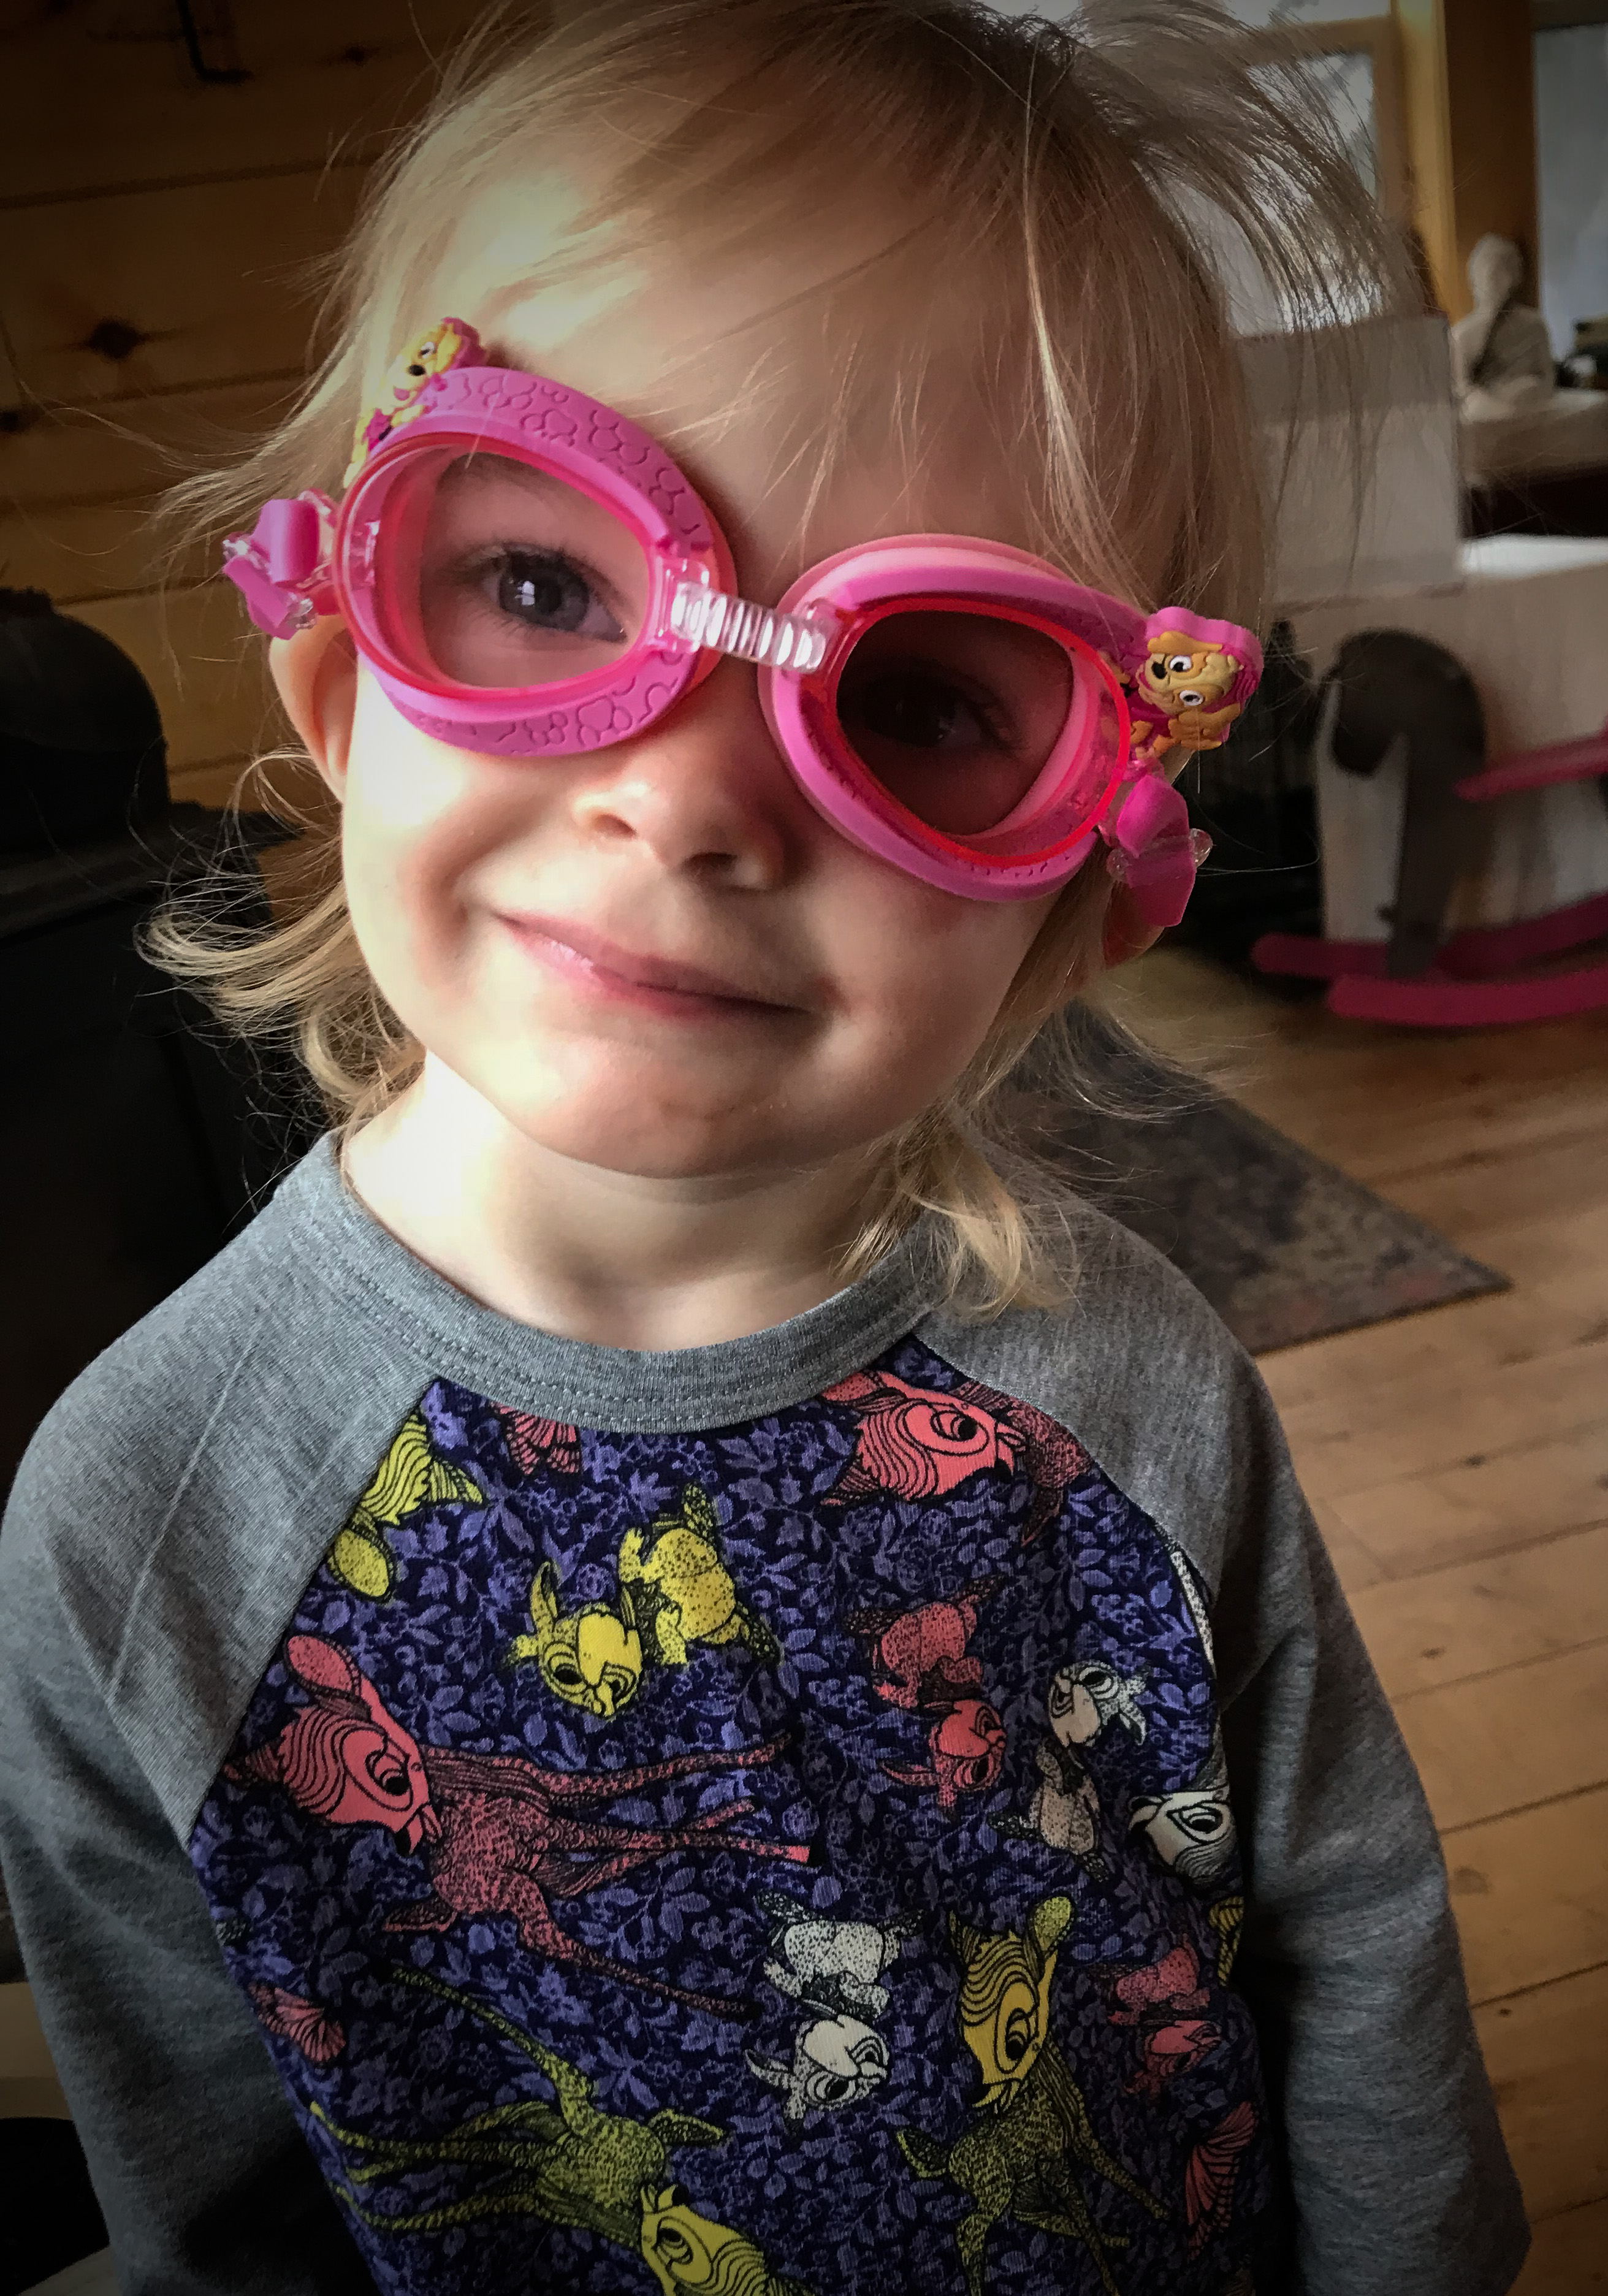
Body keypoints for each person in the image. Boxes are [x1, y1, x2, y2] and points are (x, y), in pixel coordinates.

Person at [0, 5, 1528, 2292]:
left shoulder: (1127, 1393)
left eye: (916, 698)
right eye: (547, 587)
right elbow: (210, 2204)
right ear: (339, 681)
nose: (692, 797)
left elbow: (1354, 1936)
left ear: (1079, 909)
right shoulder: (144, 1515)